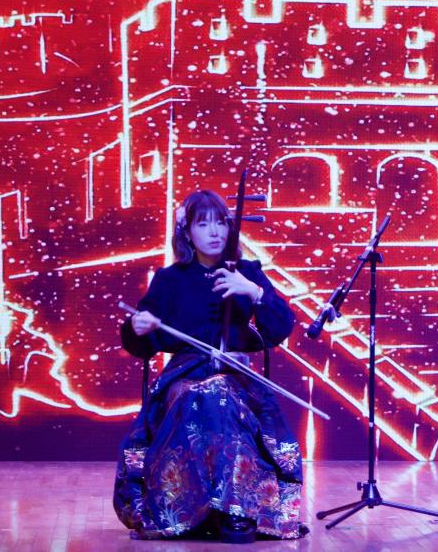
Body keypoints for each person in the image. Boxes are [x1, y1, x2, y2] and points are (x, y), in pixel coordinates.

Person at [113, 189, 306, 543]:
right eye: (203, 224)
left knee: (223, 396)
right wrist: (137, 326)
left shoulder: (246, 272)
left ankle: (237, 507)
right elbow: (140, 340)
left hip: (236, 373)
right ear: (187, 233)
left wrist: (254, 292)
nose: (215, 232)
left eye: (221, 223)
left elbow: (279, 328)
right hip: (185, 374)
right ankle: (192, 507)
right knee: (204, 396)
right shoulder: (170, 279)